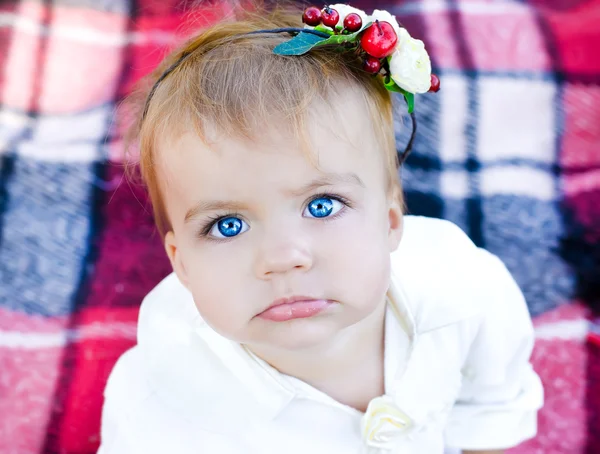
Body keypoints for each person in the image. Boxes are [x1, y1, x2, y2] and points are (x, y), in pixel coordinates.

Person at [98, 3, 543, 453]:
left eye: (322, 205)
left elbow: (490, 409)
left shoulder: (462, 292)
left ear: (390, 221)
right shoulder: (162, 407)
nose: (283, 257)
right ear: (181, 263)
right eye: (228, 226)